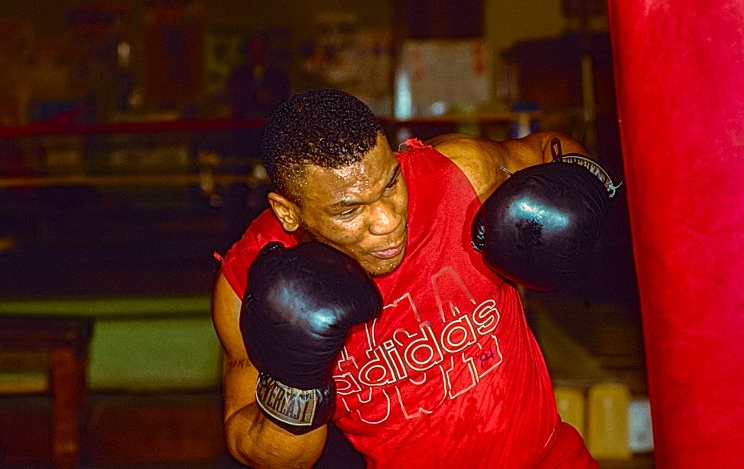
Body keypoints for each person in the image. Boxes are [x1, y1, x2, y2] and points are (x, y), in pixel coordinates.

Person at [211, 88, 607, 468]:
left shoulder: (458, 175)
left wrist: (576, 189)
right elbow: (263, 453)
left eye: (391, 184)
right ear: (287, 211)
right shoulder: (249, 284)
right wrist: (295, 386)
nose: (387, 220)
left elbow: (551, 147)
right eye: (349, 211)